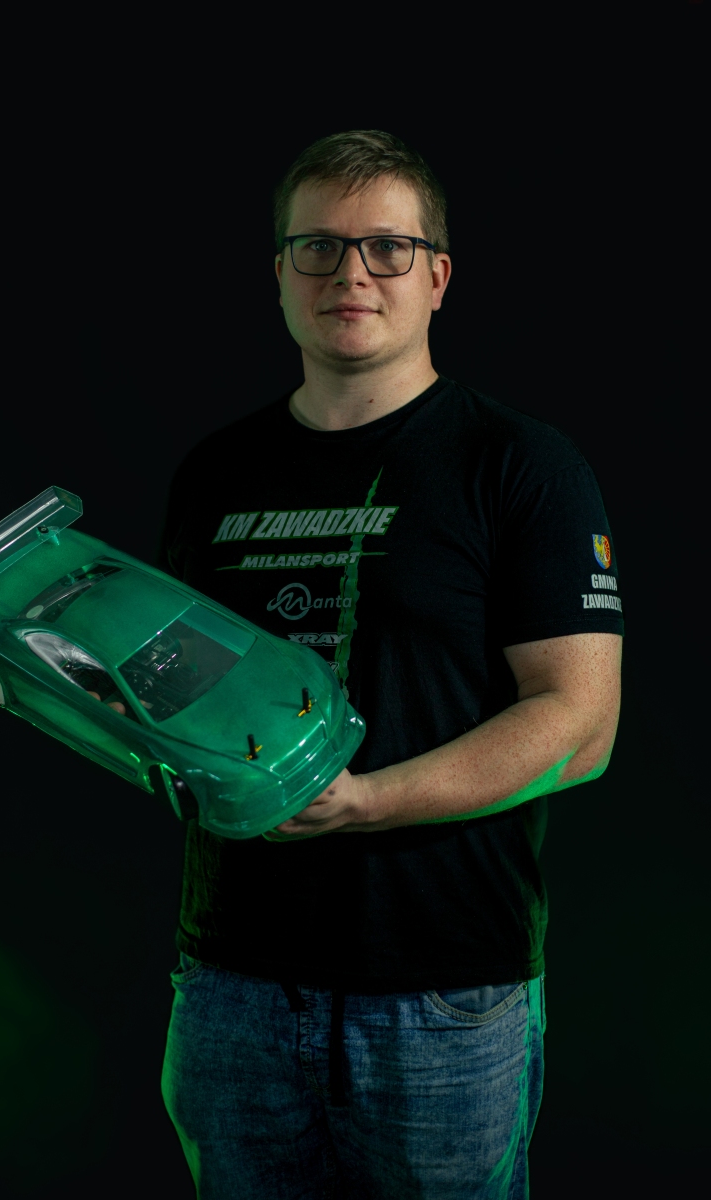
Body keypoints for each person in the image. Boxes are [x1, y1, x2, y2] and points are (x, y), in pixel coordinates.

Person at [157, 130, 623, 1199]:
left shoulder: (521, 465)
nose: (350, 274)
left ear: (437, 277)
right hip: (230, 980)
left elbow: (580, 725)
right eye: (317, 247)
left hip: (439, 994)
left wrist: (366, 802)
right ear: (280, 274)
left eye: (386, 248)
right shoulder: (213, 472)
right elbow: (179, 694)